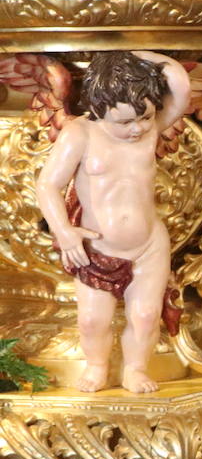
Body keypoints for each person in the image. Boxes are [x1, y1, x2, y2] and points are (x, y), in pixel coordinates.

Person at [36, 51, 190, 394]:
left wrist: (128, 57)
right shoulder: (80, 134)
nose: (136, 129)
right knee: (92, 320)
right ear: (99, 107)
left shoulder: (151, 129)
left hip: (149, 244)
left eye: (145, 118)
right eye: (123, 122)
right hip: (95, 245)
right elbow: (47, 185)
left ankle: (135, 369)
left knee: (146, 316)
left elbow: (179, 84)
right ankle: (97, 365)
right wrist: (65, 232)